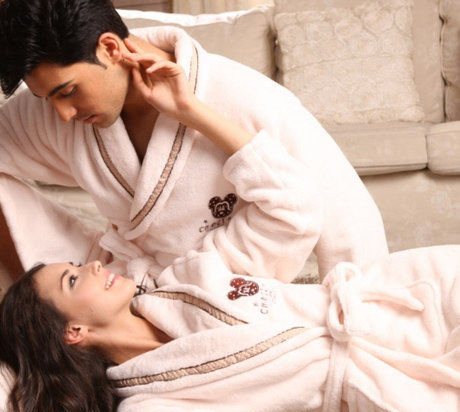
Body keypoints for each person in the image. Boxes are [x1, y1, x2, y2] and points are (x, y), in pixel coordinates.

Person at [0, 0, 388, 286]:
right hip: (132, 289)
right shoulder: (59, 111)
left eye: (68, 92)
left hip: (229, 292)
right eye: (47, 99)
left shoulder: (243, 96)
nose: (63, 114)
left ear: (111, 48)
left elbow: (343, 207)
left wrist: (361, 308)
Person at [0, 241, 458, 412]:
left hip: (403, 291)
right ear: (73, 331)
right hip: (390, 380)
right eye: (74, 278)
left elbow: (285, 217)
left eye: (77, 263)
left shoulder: (181, 280)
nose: (94, 265)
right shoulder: (146, 405)